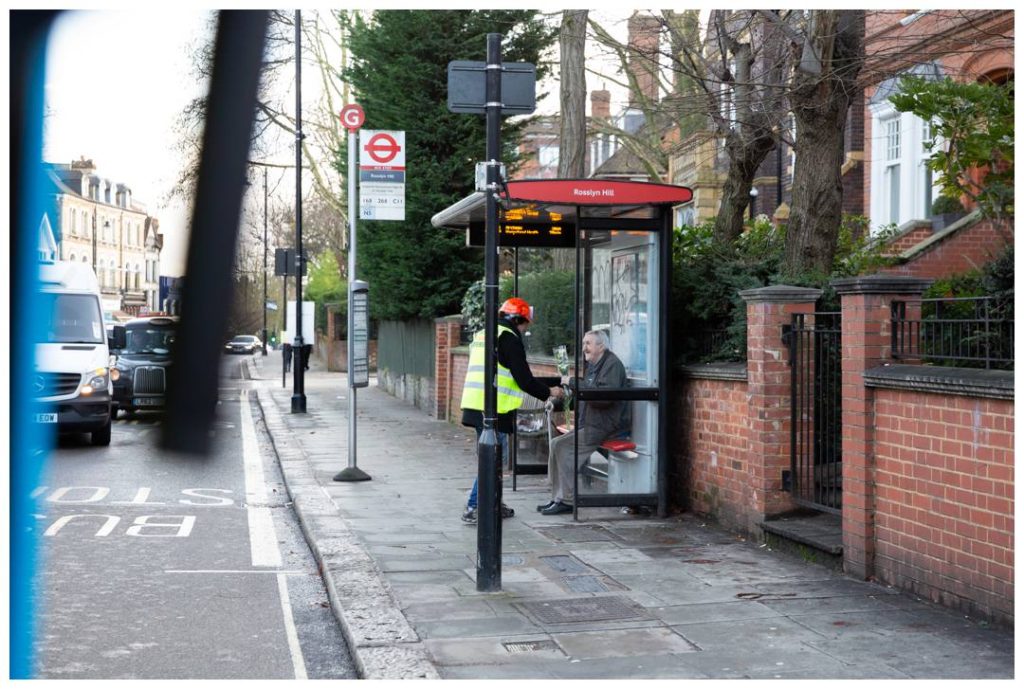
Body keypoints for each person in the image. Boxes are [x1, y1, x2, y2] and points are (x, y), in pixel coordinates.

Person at [460, 297, 564, 524]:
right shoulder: (508, 338)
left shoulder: (485, 334)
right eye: (525, 323)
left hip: (477, 404)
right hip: (492, 408)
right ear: (517, 319)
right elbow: (524, 380)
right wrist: (550, 392)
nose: (526, 328)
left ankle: (492, 502)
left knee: (493, 456)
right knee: (494, 458)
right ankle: (476, 505)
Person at [538, 329, 629, 515]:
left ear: (601, 346)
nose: (584, 348)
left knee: (563, 447)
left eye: (588, 343)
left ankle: (567, 500)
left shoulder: (612, 364)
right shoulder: (596, 365)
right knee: (556, 444)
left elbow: (603, 397)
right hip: (592, 424)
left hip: (604, 426)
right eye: (583, 343)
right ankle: (558, 497)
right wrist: (559, 400)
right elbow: (586, 393)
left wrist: (573, 382)